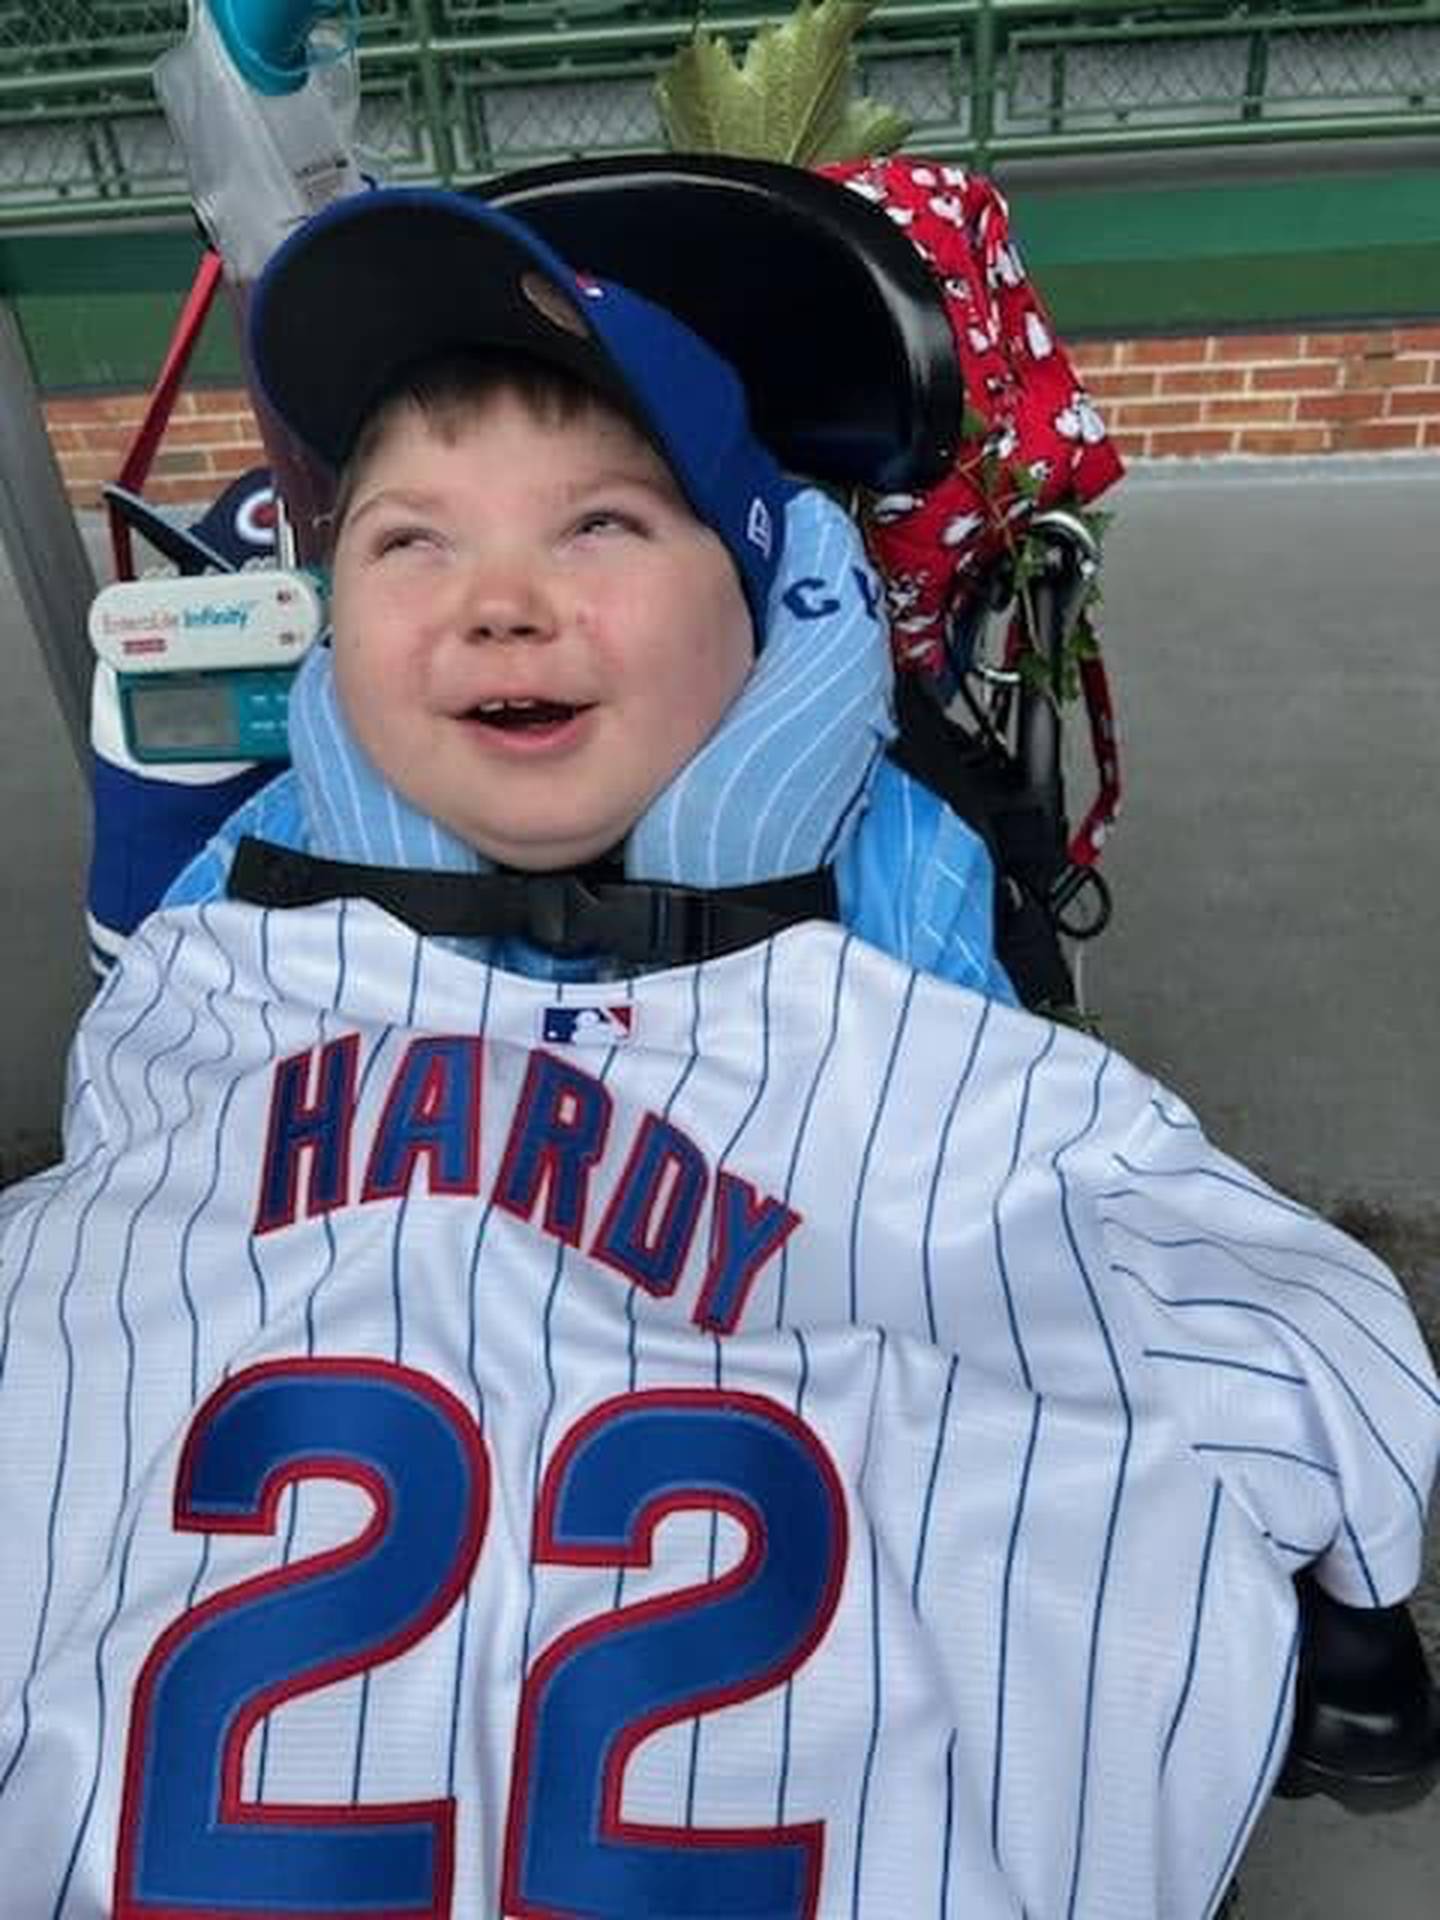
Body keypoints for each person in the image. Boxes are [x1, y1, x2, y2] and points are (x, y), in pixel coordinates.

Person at [0, 186, 1435, 1919]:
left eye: (600, 525)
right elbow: (1311, 1361)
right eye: (406, 541)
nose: (499, 602)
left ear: (767, 607)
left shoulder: (902, 984)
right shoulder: (224, 963)